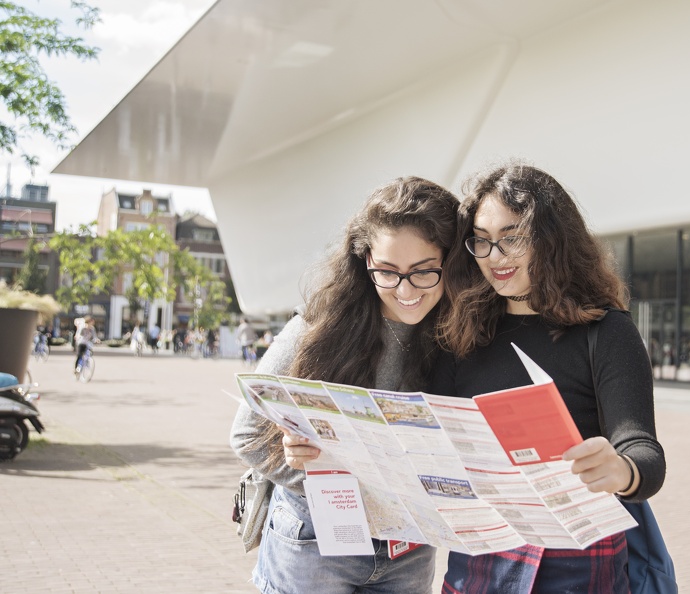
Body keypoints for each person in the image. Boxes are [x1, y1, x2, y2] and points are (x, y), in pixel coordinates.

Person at [432, 161, 667, 593]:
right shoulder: (460, 332)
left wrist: (620, 469)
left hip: (578, 562)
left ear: (551, 239)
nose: (494, 258)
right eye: (481, 242)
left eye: (512, 238)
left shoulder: (605, 331)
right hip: (480, 561)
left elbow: (643, 451)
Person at [229, 176, 460, 594]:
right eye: (387, 271)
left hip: (410, 547)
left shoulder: (459, 336)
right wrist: (317, 474)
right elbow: (248, 434)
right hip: (314, 541)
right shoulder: (319, 326)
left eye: (424, 272)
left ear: (450, 262)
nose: (404, 290)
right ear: (364, 260)